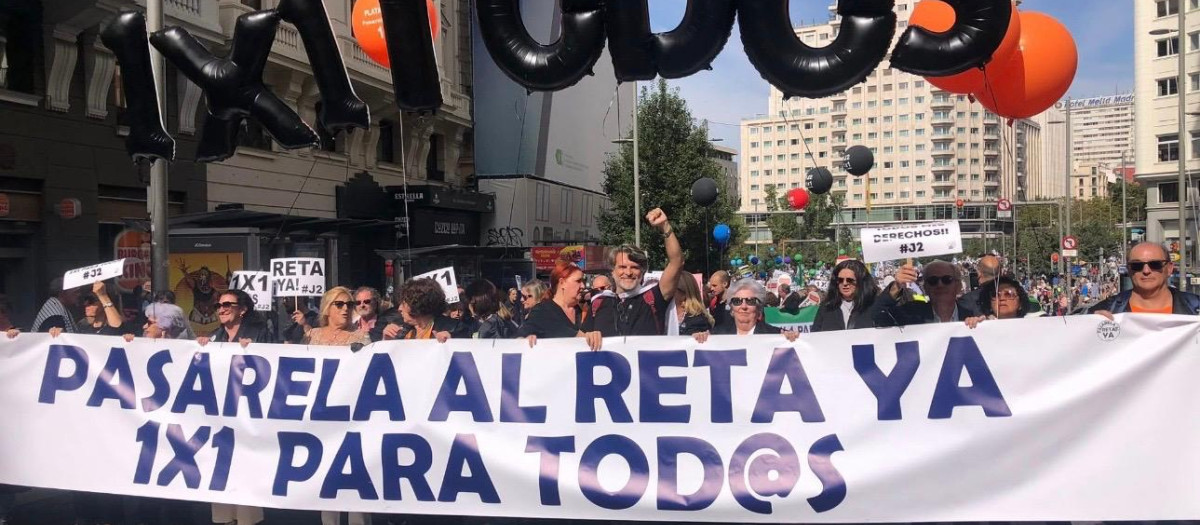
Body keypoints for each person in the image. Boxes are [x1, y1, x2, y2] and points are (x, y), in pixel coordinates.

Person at [585, 208, 683, 336]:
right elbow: (576, 346)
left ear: (642, 272)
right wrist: (587, 338)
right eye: (622, 267)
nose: (628, 272)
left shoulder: (654, 298)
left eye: (635, 267)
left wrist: (664, 226)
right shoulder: (598, 303)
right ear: (612, 271)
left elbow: (677, 261)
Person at [1091, 242, 1200, 318]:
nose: (1146, 270)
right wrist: (1090, 324)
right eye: (1137, 265)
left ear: (1169, 268)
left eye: (1155, 264)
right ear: (1128, 269)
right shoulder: (1107, 309)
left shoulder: (1195, 307)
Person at [519, 263, 603, 350]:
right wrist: (525, 340)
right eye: (578, 281)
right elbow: (518, 338)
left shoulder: (587, 310)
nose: (583, 286)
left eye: (583, 281)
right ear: (562, 283)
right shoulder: (542, 311)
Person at [874, 260, 980, 326]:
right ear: (925, 288)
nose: (940, 285)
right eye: (933, 281)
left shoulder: (974, 313)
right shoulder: (911, 314)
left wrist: (980, 327)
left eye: (947, 279)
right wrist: (896, 287)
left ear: (959, 286)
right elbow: (875, 316)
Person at [693, 279, 800, 342]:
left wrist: (791, 339)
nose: (743, 306)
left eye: (751, 301)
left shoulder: (775, 335)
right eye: (737, 301)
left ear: (758, 307)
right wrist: (698, 339)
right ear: (732, 308)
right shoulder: (716, 335)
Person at [374, 278, 468, 342]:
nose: (399, 309)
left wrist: (451, 339)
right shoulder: (398, 328)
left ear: (418, 305)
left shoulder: (454, 327)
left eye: (403, 304)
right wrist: (386, 341)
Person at [811, 259, 881, 332]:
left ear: (861, 281)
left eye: (850, 280)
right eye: (840, 280)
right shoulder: (827, 307)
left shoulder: (875, 305)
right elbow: (815, 335)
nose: (844, 283)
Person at [197, 290, 274, 346]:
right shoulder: (213, 336)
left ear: (242, 309)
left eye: (227, 305)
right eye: (218, 306)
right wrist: (201, 346)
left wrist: (254, 348)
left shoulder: (260, 334)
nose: (221, 310)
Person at [964, 276, 1035, 328]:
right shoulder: (982, 325)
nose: (1001, 298)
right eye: (995, 294)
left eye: (1008, 294)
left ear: (1020, 303)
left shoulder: (1033, 325)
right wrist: (972, 324)